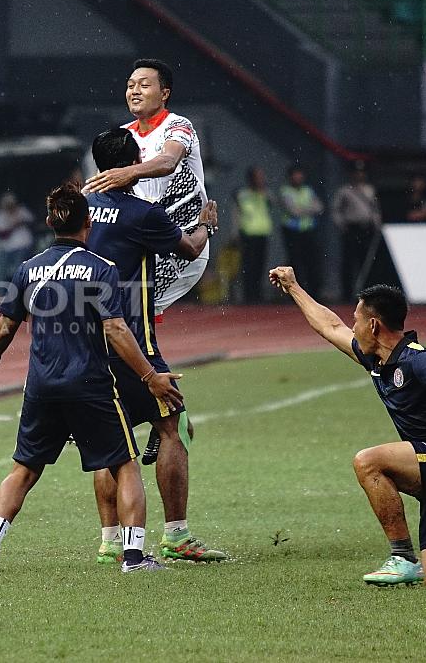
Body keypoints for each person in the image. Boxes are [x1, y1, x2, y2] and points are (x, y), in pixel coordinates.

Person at [0, 184, 183, 574]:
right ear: (89, 223)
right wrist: (150, 377)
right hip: (90, 384)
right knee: (125, 463)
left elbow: (3, 326)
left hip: (41, 386)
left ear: (49, 222)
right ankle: (133, 557)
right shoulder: (102, 269)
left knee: (24, 469)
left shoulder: (27, 269)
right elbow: (116, 330)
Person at [270, 271, 426, 587]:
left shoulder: (416, 359)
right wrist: (294, 286)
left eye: (357, 320)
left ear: (374, 325)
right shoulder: (376, 358)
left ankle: (402, 556)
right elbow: (329, 326)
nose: (353, 327)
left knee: (368, 461)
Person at [85, 127, 228, 564]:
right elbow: (187, 250)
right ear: (132, 166)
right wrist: (204, 224)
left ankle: (109, 541)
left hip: (86, 340)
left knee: (110, 439)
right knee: (172, 428)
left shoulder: (83, 209)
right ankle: (177, 534)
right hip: (133, 340)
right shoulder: (143, 213)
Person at [82, 59, 213, 473]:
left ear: (165, 93)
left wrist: (124, 174)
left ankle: (162, 407)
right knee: (126, 323)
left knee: (133, 324)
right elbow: (103, 187)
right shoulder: (121, 137)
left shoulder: (179, 126)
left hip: (181, 241)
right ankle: (161, 407)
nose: (134, 90)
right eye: (129, 84)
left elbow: (168, 163)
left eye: (144, 84)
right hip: (143, 241)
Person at [331, 163, 382, 296]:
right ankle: (347, 293)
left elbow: (375, 209)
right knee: (349, 262)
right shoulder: (345, 191)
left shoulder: (369, 190)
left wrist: (377, 224)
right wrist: (342, 225)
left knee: (366, 262)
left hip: (366, 229)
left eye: (361, 172)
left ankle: (367, 292)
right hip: (351, 229)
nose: (359, 175)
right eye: (356, 172)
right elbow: (336, 211)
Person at [278, 164, 324, 294]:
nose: (298, 177)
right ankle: (295, 292)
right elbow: (293, 211)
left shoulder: (308, 190)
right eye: (295, 175)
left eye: (300, 174)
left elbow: (319, 207)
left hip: (308, 230)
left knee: (312, 261)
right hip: (292, 231)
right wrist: (308, 209)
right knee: (295, 263)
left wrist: (302, 209)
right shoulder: (286, 191)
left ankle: (314, 291)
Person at [235, 166, 274, 304]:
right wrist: (235, 232)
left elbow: (272, 202)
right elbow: (238, 212)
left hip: (262, 232)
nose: (261, 180)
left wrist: (263, 190)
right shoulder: (243, 194)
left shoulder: (265, 193)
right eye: (258, 177)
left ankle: (257, 294)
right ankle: (248, 295)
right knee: (248, 265)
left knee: (260, 265)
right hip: (248, 233)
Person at [0, 192, 36, 280]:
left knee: (18, 270)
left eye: (12, 204)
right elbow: (2, 235)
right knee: (0, 272)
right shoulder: (0, 215)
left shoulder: (22, 211)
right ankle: (2, 293)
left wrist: (22, 222)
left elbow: (33, 222)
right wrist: (14, 226)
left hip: (23, 246)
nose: (10, 207)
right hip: (6, 248)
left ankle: (18, 291)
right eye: (8, 204)